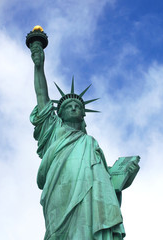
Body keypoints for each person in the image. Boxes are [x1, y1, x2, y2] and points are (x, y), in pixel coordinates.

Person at [30, 41, 137, 240]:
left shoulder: (90, 143)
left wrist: (123, 176)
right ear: (59, 113)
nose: (73, 108)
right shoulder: (54, 130)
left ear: (83, 115)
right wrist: (39, 66)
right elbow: (41, 95)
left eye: (77, 106)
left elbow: (105, 180)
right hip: (60, 191)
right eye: (68, 105)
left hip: (92, 197)